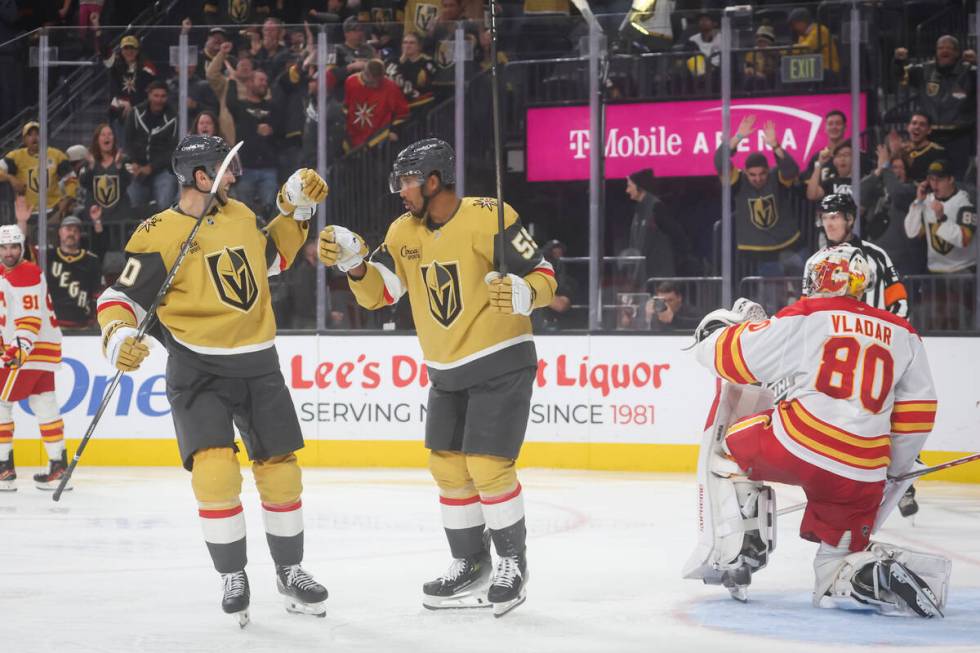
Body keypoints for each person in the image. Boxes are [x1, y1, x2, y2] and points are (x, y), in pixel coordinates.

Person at [95, 134, 329, 626]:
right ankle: (233, 573)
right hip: (197, 367)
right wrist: (117, 335)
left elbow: (273, 261)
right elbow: (120, 298)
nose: (235, 175)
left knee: (281, 471)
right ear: (200, 176)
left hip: (258, 362)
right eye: (226, 169)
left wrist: (299, 213)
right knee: (216, 471)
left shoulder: (242, 216)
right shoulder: (157, 232)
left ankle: (291, 570)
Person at [318, 138, 557, 617]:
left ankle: (512, 563)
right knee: (448, 468)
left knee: (488, 466)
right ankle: (471, 564)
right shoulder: (402, 230)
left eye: (408, 181)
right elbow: (381, 294)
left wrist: (524, 293)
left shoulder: (491, 215)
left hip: (502, 359)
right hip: (446, 370)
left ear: (433, 181)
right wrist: (355, 264)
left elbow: (545, 274)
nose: (400, 191)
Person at [685, 245, 947, 618]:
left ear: (822, 278)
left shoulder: (809, 315)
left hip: (799, 446)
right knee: (832, 572)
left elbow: (736, 358)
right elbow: (917, 414)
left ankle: (740, 546)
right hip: (862, 474)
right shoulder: (904, 334)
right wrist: (893, 468)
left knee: (728, 449)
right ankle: (867, 573)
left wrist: (712, 336)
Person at [0, 225, 68, 492]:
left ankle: (4, 469)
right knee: (45, 404)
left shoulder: (25, 272)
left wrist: (19, 350)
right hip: (42, 352)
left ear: (22, 247)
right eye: (4, 247)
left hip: (26, 353)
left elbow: (29, 318)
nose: (8, 252)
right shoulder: (11, 273)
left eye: (13, 247)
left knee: (1, 404)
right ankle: (57, 466)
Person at [714, 114, 802, 277]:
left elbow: (791, 170)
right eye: (752, 174)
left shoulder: (777, 176)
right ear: (745, 172)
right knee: (769, 298)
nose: (758, 178)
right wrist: (738, 137)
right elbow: (719, 160)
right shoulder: (738, 180)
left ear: (768, 170)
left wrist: (775, 146)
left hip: (789, 245)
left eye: (762, 173)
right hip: (755, 252)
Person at [895, 35, 976, 178]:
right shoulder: (925, 70)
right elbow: (900, 75)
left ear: (957, 53)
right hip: (931, 138)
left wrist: (977, 63)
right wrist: (898, 61)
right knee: (930, 177)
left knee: (957, 179)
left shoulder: (969, 71)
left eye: (949, 48)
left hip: (959, 138)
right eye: (940, 48)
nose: (944, 51)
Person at [0, 121, 79, 220]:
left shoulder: (56, 155)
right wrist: (10, 178)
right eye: (30, 135)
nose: (34, 138)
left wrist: (68, 199)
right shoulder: (16, 157)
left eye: (37, 134)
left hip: (52, 212)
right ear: (24, 140)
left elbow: (71, 179)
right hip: (26, 213)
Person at [228, 69, 280, 217]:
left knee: (269, 209)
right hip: (245, 167)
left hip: (269, 166)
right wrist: (232, 80)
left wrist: (272, 130)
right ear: (250, 83)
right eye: (261, 80)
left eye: (266, 81)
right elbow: (229, 102)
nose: (265, 83)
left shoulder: (272, 107)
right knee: (244, 211)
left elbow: (280, 129)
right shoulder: (240, 107)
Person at [124, 81, 178, 210]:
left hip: (163, 170)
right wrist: (134, 162)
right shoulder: (135, 113)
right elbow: (128, 141)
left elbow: (173, 149)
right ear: (149, 95)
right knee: (132, 201)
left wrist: (151, 167)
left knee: (165, 203)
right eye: (156, 95)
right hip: (138, 168)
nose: (159, 100)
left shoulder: (174, 117)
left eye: (163, 96)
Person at [45, 215, 103, 329]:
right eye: (68, 229)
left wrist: (97, 221)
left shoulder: (91, 260)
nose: (71, 233)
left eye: (75, 231)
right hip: (53, 324)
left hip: (83, 325)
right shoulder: (48, 256)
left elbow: (96, 293)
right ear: (60, 232)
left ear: (79, 235)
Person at [343, 58, 409, 150]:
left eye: (379, 81)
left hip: (378, 139)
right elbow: (345, 106)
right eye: (372, 82)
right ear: (364, 73)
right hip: (352, 135)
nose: (376, 85)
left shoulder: (391, 87)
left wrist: (395, 130)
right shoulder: (351, 81)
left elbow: (403, 113)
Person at [625, 168, 674, 281]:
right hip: (643, 277)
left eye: (629, 186)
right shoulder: (638, 211)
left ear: (639, 186)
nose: (627, 190)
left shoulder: (656, 207)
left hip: (657, 277)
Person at [788, 7, 840, 80]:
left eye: (794, 24)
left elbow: (805, 48)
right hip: (812, 70)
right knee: (785, 71)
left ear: (802, 22)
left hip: (828, 70)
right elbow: (798, 55)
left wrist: (784, 50)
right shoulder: (802, 36)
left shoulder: (820, 30)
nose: (793, 28)